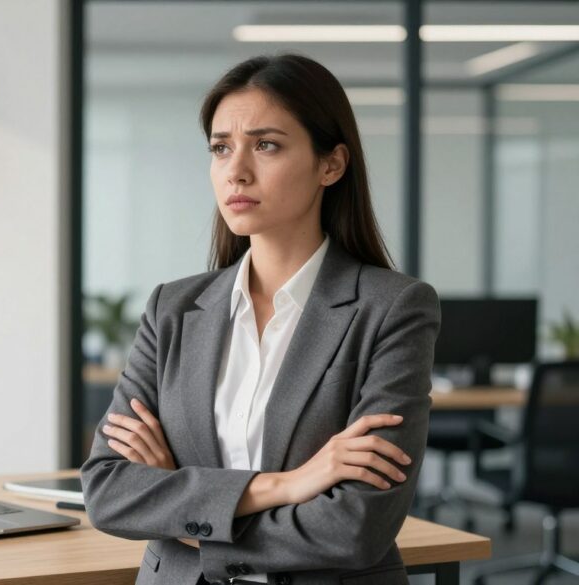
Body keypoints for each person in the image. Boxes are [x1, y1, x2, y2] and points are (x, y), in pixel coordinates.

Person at [80, 54, 441, 585]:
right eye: (221, 147)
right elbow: (108, 491)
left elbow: (355, 526)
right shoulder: (173, 309)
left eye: (266, 145)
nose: (236, 169)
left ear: (331, 165)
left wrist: (182, 503)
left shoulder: (392, 308)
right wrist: (289, 484)